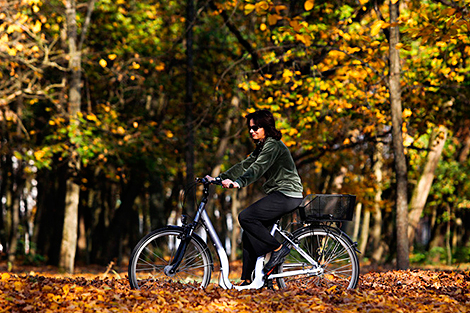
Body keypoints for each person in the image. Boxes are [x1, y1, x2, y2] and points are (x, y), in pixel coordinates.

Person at [206, 109, 303, 285]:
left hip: (288, 194)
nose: (251, 131)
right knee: (249, 234)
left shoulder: (273, 145)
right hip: (280, 194)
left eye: (256, 127)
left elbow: (257, 168)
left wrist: (239, 183)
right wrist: (219, 179)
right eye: (250, 128)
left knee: (246, 217)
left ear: (266, 127)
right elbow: (245, 165)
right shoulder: (262, 146)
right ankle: (248, 280)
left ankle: (278, 249)